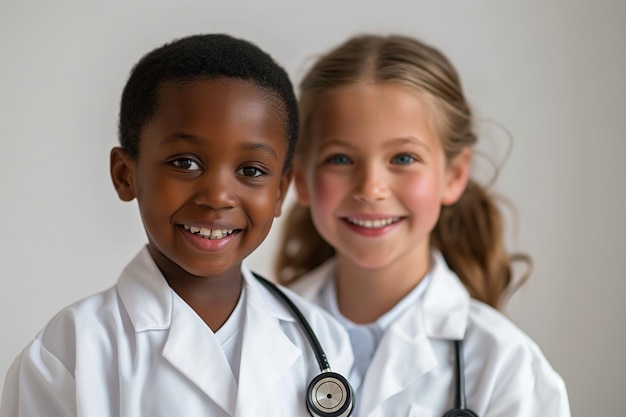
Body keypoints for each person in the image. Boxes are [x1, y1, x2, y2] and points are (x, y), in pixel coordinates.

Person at [0, 33, 354, 417]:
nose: (218, 196)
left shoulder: (324, 340)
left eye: (251, 170)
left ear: (281, 192)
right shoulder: (66, 355)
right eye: (185, 162)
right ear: (125, 175)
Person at [275, 34, 571, 417]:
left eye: (402, 157)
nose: (371, 189)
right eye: (341, 160)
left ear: (454, 174)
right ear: (301, 178)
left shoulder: (507, 367)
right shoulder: (258, 336)